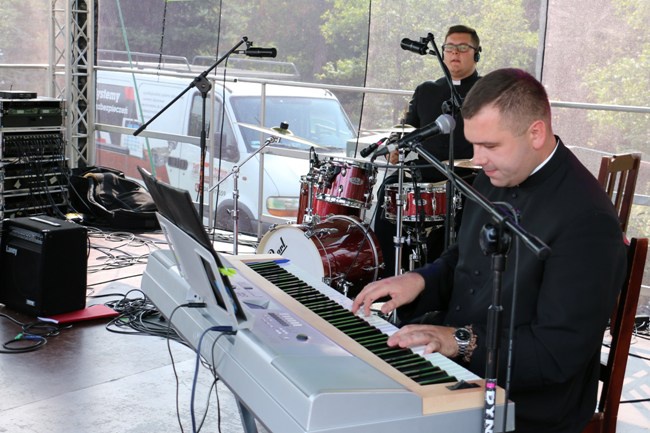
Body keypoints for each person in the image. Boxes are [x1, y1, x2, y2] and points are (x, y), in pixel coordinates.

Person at [353, 68, 627, 432]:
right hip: (463, 369)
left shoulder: (588, 220)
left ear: (535, 133)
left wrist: (458, 340)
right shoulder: (495, 173)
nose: (477, 159)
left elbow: (557, 352)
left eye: (490, 146)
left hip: (527, 403)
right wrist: (420, 280)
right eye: (473, 144)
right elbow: (462, 256)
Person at [373, 24, 482, 277]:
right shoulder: (426, 90)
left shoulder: (488, 91)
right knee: (389, 188)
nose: (455, 53)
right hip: (423, 172)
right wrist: (394, 144)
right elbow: (406, 127)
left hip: (468, 176)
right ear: (442, 53)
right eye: (450, 48)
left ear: (476, 53)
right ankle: (387, 273)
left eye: (463, 48)